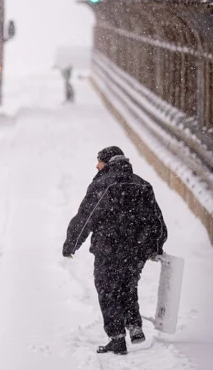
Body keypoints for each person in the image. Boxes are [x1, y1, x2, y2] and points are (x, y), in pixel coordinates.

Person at [62, 146, 167, 355]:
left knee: (108, 291)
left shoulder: (103, 185)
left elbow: (85, 218)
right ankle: (134, 326)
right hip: (136, 250)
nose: (96, 165)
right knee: (127, 286)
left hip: (108, 248)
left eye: (99, 162)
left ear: (108, 162)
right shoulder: (142, 185)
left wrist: (71, 244)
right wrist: (155, 247)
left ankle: (117, 338)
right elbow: (157, 222)